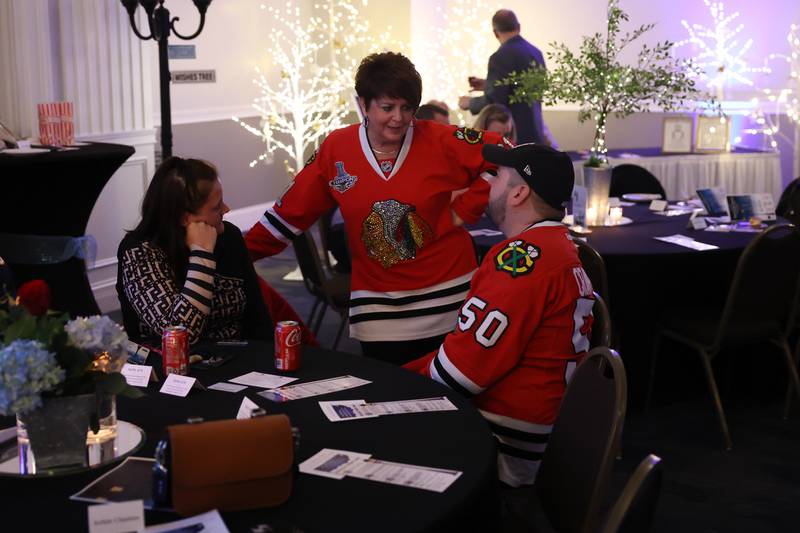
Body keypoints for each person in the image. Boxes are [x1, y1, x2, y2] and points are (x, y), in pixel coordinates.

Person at [246, 52, 504, 365]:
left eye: (407, 107)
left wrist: (465, 208)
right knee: (390, 400)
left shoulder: (440, 139)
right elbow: (288, 215)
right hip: (379, 314)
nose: (399, 117)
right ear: (363, 104)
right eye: (387, 107)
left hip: (452, 304)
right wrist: (232, 252)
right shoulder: (336, 150)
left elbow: (505, 154)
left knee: (450, 402)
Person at [404, 143, 595, 487]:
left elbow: (459, 376)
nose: (488, 182)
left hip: (507, 443)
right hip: (545, 428)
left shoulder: (523, 261)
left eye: (498, 176)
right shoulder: (558, 246)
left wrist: (391, 386)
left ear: (519, 193)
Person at [117, 157, 311, 347]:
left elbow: (258, 320)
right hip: (170, 370)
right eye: (216, 207)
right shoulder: (139, 252)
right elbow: (179, 336)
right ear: (185, 218)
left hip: (236, 361)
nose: (226, 209)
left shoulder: (229, 236)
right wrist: (201, 253)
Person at [459, 9, 548, 146]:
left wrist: (469, 103)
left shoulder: (500, 57)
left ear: (495, 33)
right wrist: (487, 84)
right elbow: (519, 88)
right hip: (535, 133)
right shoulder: (536, 53)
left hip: (513, 135)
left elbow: (495, 101)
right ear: (518, 27)